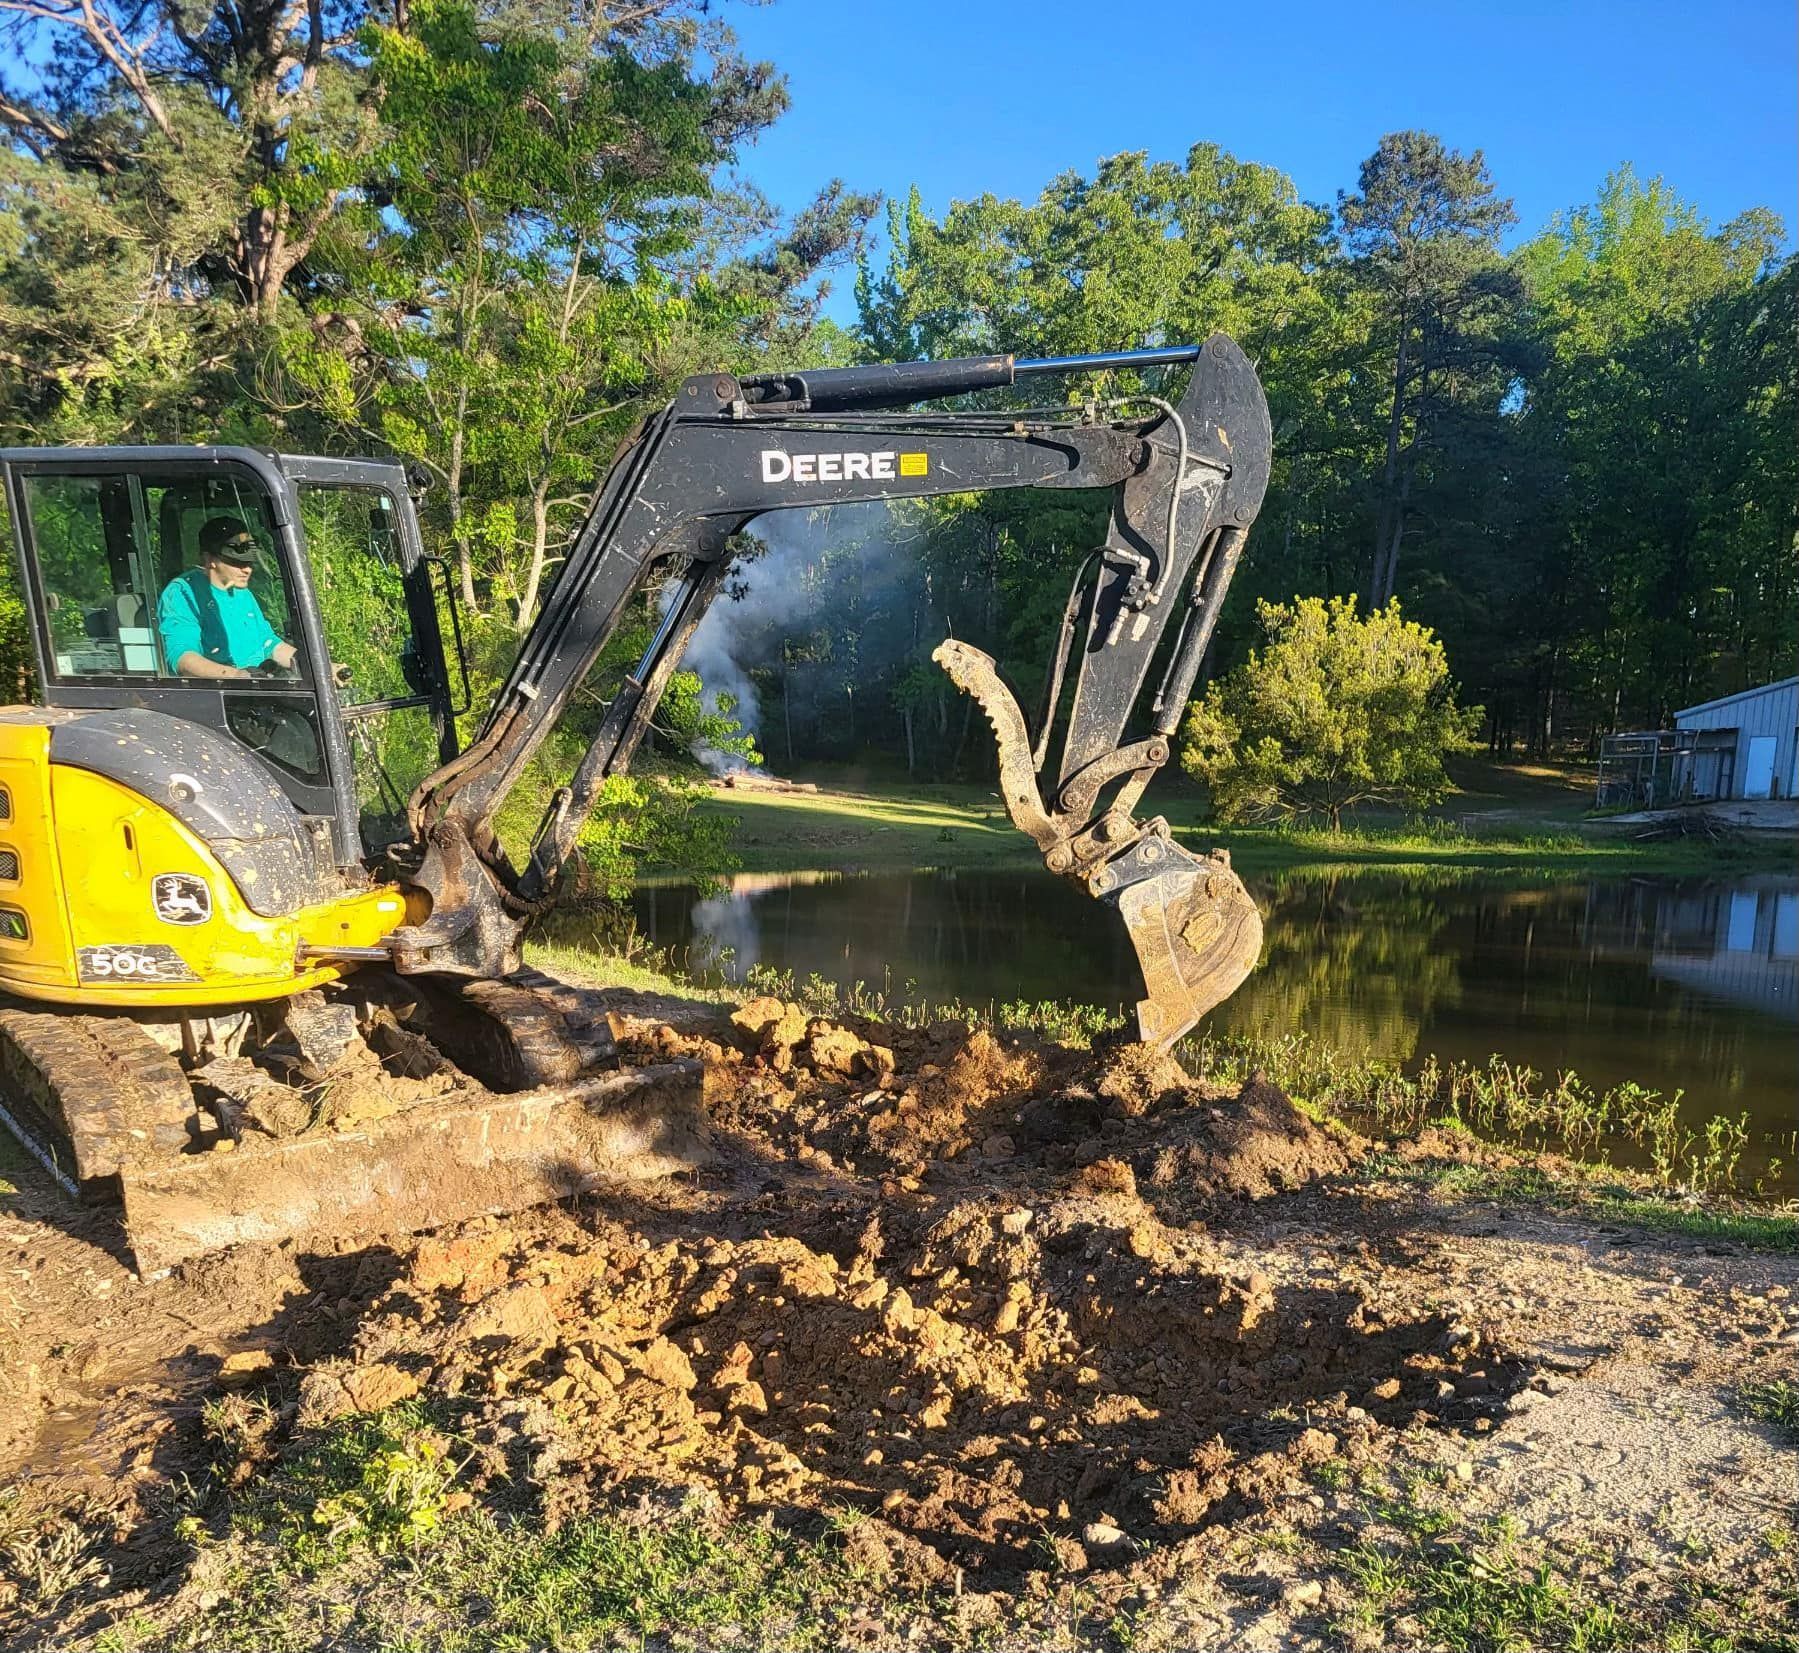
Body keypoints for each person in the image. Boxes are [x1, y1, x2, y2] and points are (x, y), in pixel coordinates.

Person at [157, 517, 299, 680]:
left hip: (258, 686)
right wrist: (238, 676)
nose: (247, 570)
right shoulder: (184, 593)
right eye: (237, 563)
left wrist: (321, 668)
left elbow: (269, 644)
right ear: (209, 559)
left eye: (249, 563)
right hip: (218, 693)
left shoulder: (242, 593)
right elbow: (183, 659)